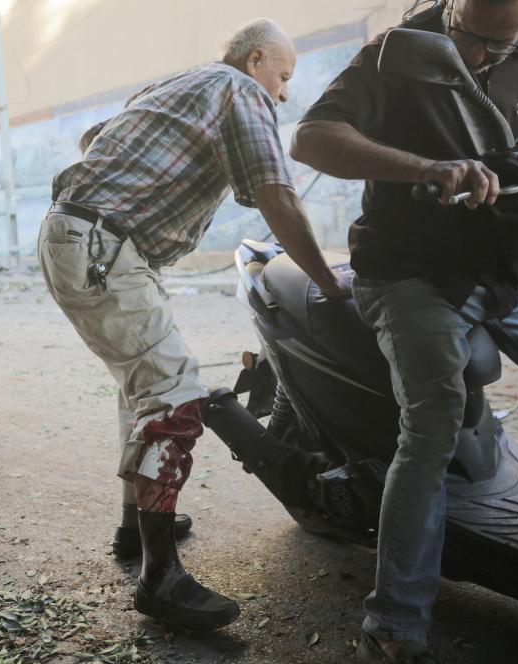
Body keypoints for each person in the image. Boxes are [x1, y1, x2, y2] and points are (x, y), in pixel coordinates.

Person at [291, 1, 518, 664]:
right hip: (409, 274)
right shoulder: (394, 51)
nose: (488, 56)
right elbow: (311, 138)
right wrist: (426, 168)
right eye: (475, 41)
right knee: (430, 423)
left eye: (503, 44)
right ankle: (391, 632)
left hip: (501, 269)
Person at [42, 18, 350, 631]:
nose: (283, 93)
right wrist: (325, 281)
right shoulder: (241, 90)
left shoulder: (178, 85)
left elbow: (92, 138)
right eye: (283, 76)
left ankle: (136, 526)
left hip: (74, 236)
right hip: (107, 249)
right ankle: (161, 579)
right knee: (175, 401)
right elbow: (275, 194)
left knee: (144, 391)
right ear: (256, 59)